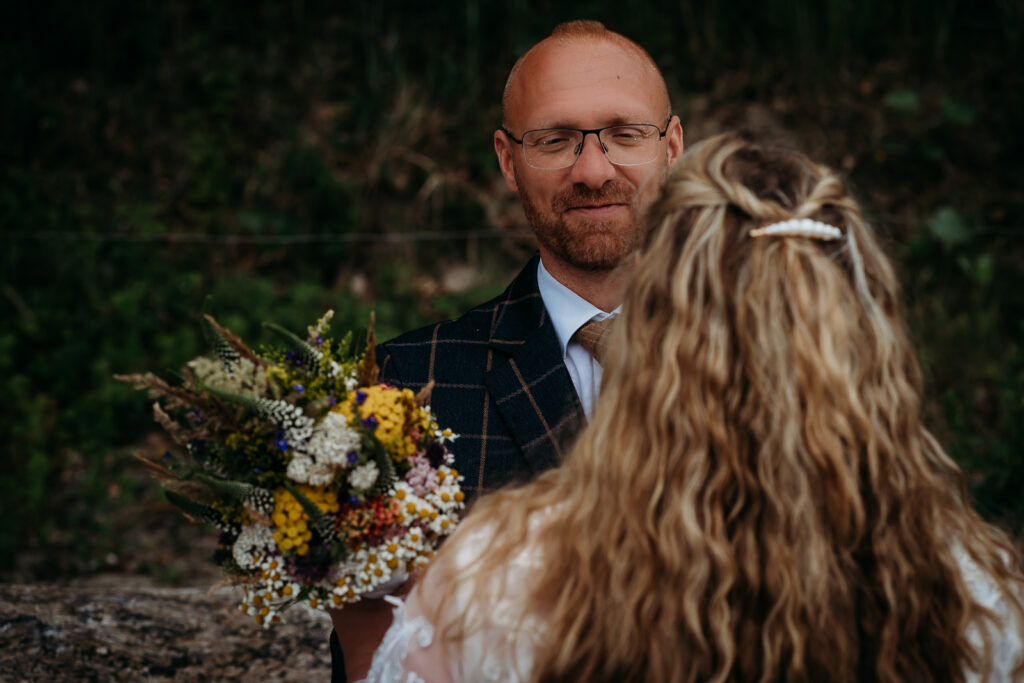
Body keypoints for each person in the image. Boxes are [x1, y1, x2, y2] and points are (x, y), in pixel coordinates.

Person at [364, 133, 1024, 682]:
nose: (593, 167)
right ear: (869, 335)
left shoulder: (496, 581)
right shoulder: (972, 596)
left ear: (653, 325)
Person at [329, 20, 684, 681]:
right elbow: (372, 656)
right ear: (506, 158)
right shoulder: (408, 385)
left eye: (624, 135)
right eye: (555, 140)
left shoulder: (760, 367)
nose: (594, 170)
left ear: (672, 146)